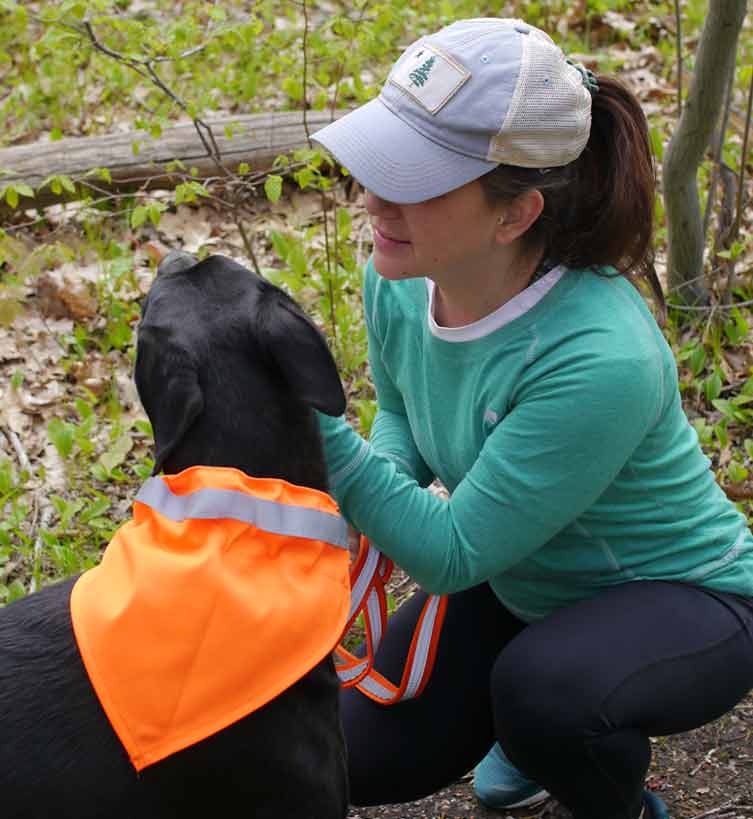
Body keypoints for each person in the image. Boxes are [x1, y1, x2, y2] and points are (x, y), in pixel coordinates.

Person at [309, 17, 753, 819]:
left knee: (548, 698)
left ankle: (605, 787)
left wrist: (305, 428)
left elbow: (448, 553)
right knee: (342, 764)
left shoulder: (601, 355)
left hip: (685, 596)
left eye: (412, 180)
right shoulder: (403, 270)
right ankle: (534, 716)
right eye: (379, 165)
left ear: (515, 215)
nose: (373, 198)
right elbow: (403, 415)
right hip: (518, 579)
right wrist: (370, 494)